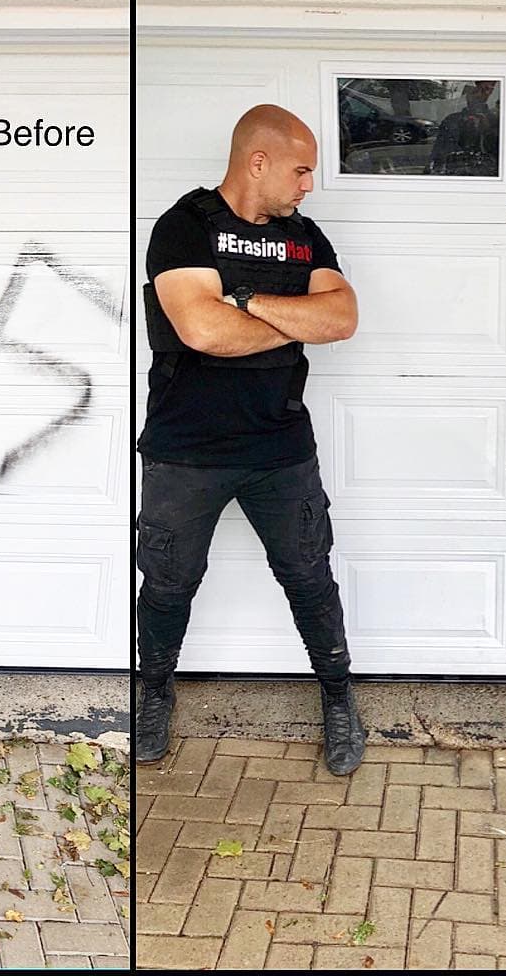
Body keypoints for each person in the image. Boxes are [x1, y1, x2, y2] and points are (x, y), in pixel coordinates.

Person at [136, 104, 365, 774]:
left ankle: (339, 696)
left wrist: (244, 302)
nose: (308, 185)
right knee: (169, 584)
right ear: (257, 161)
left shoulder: (305, 238)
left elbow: (343, 315)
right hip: (186, 450)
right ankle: (153, 693)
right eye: (300, 169)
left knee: (309, 576)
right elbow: (202, 333)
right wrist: (294, 319)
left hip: (280, 448)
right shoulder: (185, 227)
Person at [427, 80, 500, 176]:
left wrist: (487, 130)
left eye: (485, 90)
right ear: (466, 94)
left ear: (490, 94)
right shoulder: (451, 120)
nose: (478, 95)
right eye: (474, 91)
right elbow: (438, 153)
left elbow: (501, 155)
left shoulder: (497, 121)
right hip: (455, 176)